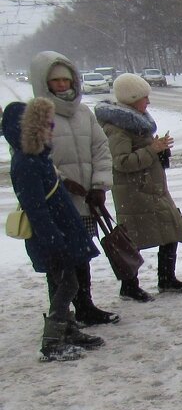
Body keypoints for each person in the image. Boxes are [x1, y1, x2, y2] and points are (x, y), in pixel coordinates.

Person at [4, 98, 104, 361]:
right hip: (51, 237)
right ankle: (52, 341)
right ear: (32, 130)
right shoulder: (26, 164)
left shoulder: (38, 159)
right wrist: (52, 238)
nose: (52, 129)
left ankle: (67, 330)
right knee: (67, 284)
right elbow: (35, 208)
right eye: (47, 125)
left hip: (61, 234)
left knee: (67, 282)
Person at [29, 51, 119, 325]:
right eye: (55, 80)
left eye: (66, 79)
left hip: (86, 201)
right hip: (56, 201)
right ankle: (61, 314)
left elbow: (101, 148)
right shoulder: (36, 114)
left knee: (82, 255)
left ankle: (85, 306)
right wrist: (58, 180)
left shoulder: (83, 113)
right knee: (60, 261)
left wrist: (99, 185)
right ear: (44, 81)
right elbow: (34, 156)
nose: (62, 85)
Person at [95, 73, 182, 298]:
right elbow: (121, 162)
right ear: (131, 99)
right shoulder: (117, 128)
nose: (148, 102)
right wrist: (153, 150)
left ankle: (167, 279)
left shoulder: (137, 122)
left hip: (151, 189)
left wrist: (159, 150)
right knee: (132, 241)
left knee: (172, 231)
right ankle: (129, 287)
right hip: (135, 193)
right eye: (144, 97)